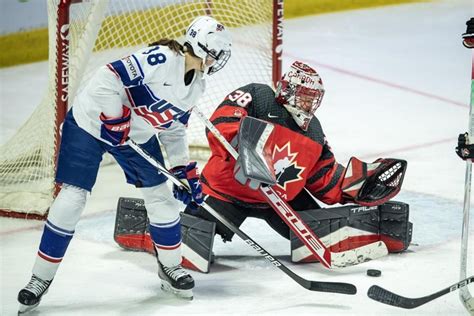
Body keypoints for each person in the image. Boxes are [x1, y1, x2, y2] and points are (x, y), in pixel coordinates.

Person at [17, 15, 231, 313]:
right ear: (201, 46)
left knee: (163, 198)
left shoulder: (197, 86)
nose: (219, 59)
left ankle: (170, 269)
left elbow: (174, 128)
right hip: (90, 123)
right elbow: (108, 77)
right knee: (72, 198)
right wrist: (115, 117)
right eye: (217, 52)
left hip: (136, 136)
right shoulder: (162, 58)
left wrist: (182, 169)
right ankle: (39, 279)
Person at [113, 61, 411, 272]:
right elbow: (221, 123)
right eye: (305, 98)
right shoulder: (258, 95)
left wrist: (357, 186)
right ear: (289, 92)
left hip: (278, 200)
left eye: (313, 100)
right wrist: (248, 148)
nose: (309, 106)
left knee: (326, 230)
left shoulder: (313, 131)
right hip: (226, 193)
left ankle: (381, 230)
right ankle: (147, 224)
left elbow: (323, 177)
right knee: (192, 244)